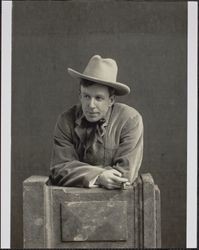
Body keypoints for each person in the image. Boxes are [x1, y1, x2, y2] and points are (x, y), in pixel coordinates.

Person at [49, 55, 143, 190]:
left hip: (117, 202)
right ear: (80, 96)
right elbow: (58, 169)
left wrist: (79, 172)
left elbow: (125, 173)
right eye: (86, 96)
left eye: (98, 98)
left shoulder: (130, 120)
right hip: (70, 202)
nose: (91, 105)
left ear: (111, 100)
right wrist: (100, 176)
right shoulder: (65, 121)